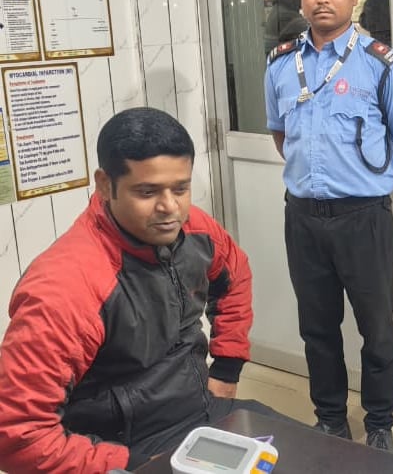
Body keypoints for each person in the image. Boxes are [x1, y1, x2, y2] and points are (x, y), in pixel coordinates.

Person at [0, 107, 287, 473]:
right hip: (122, 447)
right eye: (147, 191)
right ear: (105, 185)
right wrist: (133, 464)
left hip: (199, 411)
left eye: (180, 188)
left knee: (322, 457)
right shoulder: (65, 288)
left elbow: (235, 274)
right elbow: (18, 435)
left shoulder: (195, 230)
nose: (170, 208)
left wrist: (227, 370)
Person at [264, 0, 393, 453]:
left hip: (364, 219)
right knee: (317, 327)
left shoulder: (380, 64)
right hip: (303, 218)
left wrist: (368, 185)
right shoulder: (281, 64)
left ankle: (379, 423)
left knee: (376, 328)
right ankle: (331, 419)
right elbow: (280, 134)